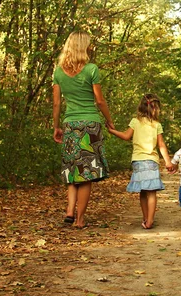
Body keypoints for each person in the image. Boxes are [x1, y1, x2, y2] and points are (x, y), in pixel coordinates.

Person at [53, 31, 115, 229]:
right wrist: (109, 120)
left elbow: (56, 103)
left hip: (70, 124)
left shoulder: (58, 71)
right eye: (88, 44)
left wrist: (56, 126)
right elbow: (99, 100)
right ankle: (79, 220)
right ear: (83, 47)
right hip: (90, 125)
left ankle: (69, 212)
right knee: (86, 173)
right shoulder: (91, 69)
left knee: (72, 171)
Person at [107, 94, 175, 229]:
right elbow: (161, 144)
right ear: (156, 109)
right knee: (152, 192)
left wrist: (112, 131)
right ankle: (149, 221)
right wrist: (168, 162)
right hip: (151, 161)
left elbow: (126, 136)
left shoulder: (135, 121)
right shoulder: (157, 125)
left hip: (137, 161)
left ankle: (145, 218)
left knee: (143, 192)